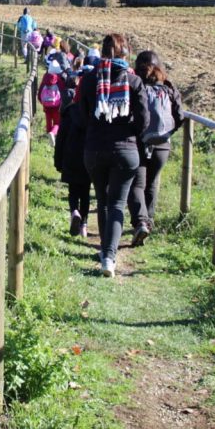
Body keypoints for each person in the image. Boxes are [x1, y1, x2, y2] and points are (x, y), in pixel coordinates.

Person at [78, 33, 152, 277]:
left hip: (95, 149)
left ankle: (105, 253)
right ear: (124, 53)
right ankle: (109, 257)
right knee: (118, 203)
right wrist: (130, 135)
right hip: (125, 150)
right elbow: (144, 121)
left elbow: (82, 115)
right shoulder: (133, 82)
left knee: (102, 200)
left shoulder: (89, 80)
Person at [128, 50, 185, 246]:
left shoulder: (136, 85)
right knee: (152, 183)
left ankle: (140, 222)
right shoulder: (169, 88)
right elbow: (180, 116)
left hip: (138, 141)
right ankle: (148, 223)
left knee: (137, 184)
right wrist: (166, 133)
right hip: (162, 144)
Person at [54, 70, 90, 238]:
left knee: (73, 191)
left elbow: (60, 138)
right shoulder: (92, 113)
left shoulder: (68, 112)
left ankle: (74, 212)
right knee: (85, 192)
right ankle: (84, 224)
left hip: (70, 156)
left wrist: (58, 160)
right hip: (87, 158)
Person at [38, 61, 64, 145]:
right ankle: (53, 133)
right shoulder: (59, 80)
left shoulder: (45, 79)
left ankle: (49, 136)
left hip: (46, 105)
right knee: (57, 123)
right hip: (56, 106)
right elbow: (63, 92)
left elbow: (39, 93)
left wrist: (43, 102)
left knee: (48, 122)